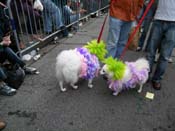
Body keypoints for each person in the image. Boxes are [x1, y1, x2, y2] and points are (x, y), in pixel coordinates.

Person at [147, 0, 175, 90]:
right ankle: (145, 74)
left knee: (165, 56)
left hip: (173, 23)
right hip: (158, 20)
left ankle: (157, 79)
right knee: (151, 52)